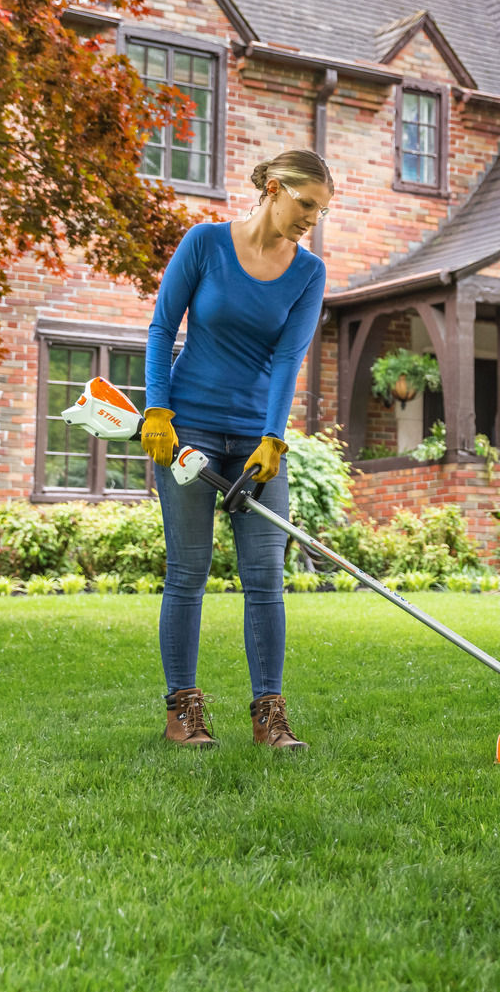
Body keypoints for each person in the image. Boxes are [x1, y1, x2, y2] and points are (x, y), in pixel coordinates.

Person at [140, 149, 330, 749]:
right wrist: (157, 408)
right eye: (305, 204)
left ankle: (268, 716)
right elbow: (162, 328)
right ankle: (183, 712)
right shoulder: (204, 244)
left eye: (322, 211)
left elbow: (285, 358)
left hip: (256, 440)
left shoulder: (308, 273)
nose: (312, 219)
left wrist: (273, 437)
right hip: (188, 429)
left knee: (265, 578)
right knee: (188, 573)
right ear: (273, 189)